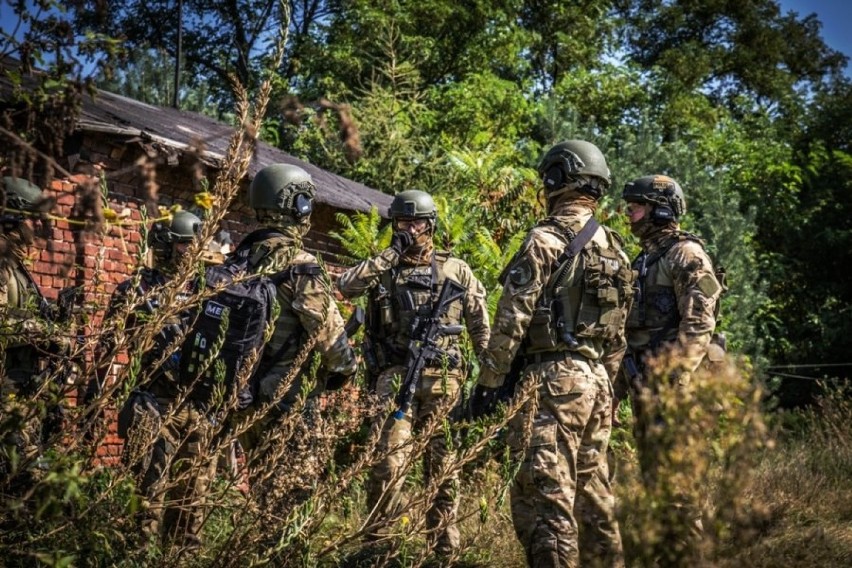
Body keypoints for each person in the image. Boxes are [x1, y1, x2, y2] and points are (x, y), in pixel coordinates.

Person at [470, 140, 632, 567]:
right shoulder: (615, 248)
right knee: (593, 497)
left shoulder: (544, 239)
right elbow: (618, 334)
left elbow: (512, 319)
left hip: (553, 382)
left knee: (546, 501)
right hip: (597, 382)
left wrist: (488, 383)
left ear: (556, 178)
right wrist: (610, 391)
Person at [337, 189, 490, 557]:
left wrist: (490, 379)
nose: (409, 228)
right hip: (394, 379)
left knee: (443, 470)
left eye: (416, 222)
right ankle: (380, 549)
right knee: (388, 465)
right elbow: (345, 286)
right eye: (401, 222)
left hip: (444, 381)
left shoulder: (455, 269)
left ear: (430, 225)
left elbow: (480, 328)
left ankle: (442, 552)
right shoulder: (383, 268)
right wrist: (390, 255)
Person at [616, 174, 724, 560]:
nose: (629, 212)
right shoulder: (644, 258)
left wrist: (674, 379)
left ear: (661, 209)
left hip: (672, 390)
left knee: (677, 486)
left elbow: (700, 323)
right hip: (646, 385)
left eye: (637, 205)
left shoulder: (686, 254)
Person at [234, 163, 357, 498]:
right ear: (298, 204)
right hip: (286, 399)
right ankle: (282, 552)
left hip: (243, 397)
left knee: (263, 491)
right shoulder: (300, 266)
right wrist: (345, 370)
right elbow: (329, 334)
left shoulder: (237, 260)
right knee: (294, 495)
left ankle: (255, 549)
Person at [89, 208, 210, 548]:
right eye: (188, 245)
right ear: (168, 245)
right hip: (153, 403)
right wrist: (97, 397)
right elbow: (108, 349)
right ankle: (136, 555)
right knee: (147, 495)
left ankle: (178, 557)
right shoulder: (136, 292)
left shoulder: (207, 291)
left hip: (197, 406)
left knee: (191, 499)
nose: (194, 252)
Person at [0, 176, 70, 499]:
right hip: (6, 396)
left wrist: (53, 316)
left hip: (21, 391)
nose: (38, 230)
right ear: (13, 216)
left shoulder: (15, 266)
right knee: (26, 487)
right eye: (33, 220)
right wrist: (47, 332)